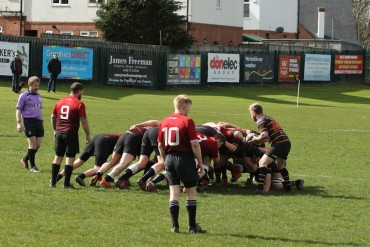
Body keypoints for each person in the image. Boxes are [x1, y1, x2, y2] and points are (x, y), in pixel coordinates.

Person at [157, 94, 206, 234]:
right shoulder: (187, 121)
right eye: (188, 107)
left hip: (170, 159)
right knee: (191, 192)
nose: (189, 110)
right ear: (184, 107)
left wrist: (166, 160)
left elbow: (160, 145)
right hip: (185, 159)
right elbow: (195, 144)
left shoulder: (164, 121)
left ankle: (175, 226)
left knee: (174, 193)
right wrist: (200, 162)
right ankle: (192, 226)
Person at [50, 82, 91, 189]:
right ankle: (66, 184)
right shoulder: (79, 103)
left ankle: (53, 182)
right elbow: (84, 121)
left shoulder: (59, 101)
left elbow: (53, 117)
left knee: (57, 157)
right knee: (70, 158)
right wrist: (88, 134)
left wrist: (55, 130)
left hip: (59, 133)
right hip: (71, 134)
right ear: (79, 91)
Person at [247, 103, 292, 194]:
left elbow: (264, 135)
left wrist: (256, 139)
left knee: (262, 163)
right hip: (286, 143)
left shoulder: (260, 120)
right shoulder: (268, 118)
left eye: (251, 113)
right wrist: (258, 141)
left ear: (254, 113)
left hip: (278, 144)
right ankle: (288, 187)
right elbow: (267, 136)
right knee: (279, 166)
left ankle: (260, 189)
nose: (251, 115)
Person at [55, 133, 121, 186]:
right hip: (103, 142)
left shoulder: (124, 136)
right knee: (98, 169)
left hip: (96, 138)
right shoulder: (128, 142)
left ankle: (57, 177)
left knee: (78, 162)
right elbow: (116, 160)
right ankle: (80, 177)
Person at [16, 76, 43, 172]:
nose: (37, 87)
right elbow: (18, 110)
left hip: (39, 122)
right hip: (29, 121)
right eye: (35, 85)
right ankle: (33, 167)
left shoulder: (39, 96)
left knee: (37, 145)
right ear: (30, 85)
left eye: (38, 85)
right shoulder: (23, 96)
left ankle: (24, 160)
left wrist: (41, 119)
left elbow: (39, 109)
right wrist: (18, 123)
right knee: (32, 144)